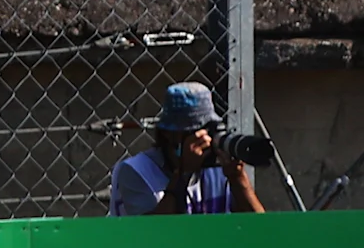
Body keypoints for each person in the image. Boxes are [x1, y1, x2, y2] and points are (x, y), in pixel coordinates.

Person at [107, 83, 264, 215]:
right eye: (197, 131)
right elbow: (153, 237)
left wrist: (237, 177)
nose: (206, 139)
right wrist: (183, 174)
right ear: (169, 134)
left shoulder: (218, 168)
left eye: (210, 129)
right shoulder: (137, 171)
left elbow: (259, 230)